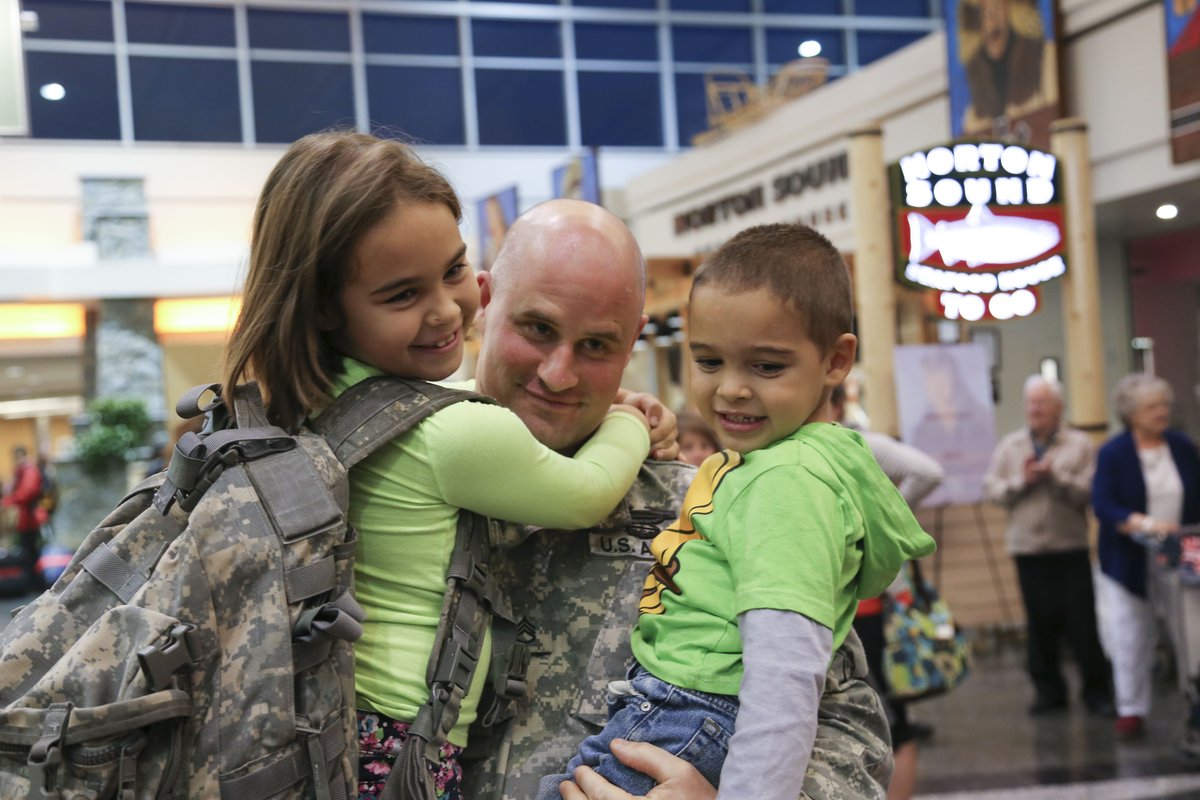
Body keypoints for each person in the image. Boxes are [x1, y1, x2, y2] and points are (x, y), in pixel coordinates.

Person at [219, 131, 660, 800]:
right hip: (399, 744)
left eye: (452, 272)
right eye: (402, 295)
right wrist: (632, 422)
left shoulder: (312, 407)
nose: (446, 308)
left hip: (319, 736)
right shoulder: (456, 432)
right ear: (327, 307)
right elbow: (586, 494)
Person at [462, 204, 900, 800]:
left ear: (633, 341)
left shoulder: (700, 505)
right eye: (537, 329)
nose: (559, 373)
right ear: (484, 302)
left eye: (595, 345)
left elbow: (852, 732)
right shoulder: (384, 487)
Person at [829, 383, 943, 800]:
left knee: (885, 711)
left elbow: (928, 472)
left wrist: (884, 511)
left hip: (868, 602)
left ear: (839, 403)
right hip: (832, 604)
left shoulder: (855, 444)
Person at [983, 376, 1112, 719]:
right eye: (1031, 403)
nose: (1034, 409)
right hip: (1027, 550)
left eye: (1042, 403)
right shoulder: (1011, 446)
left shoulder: (1080, 444)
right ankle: (1048, 691)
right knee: (1039, 626)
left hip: (1069, 548)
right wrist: (1020, 482)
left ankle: (1097, 691)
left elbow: (1091, 492)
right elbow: (992, 490)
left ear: (1058, 408)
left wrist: (1056, 478)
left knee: (1082, 624)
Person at [1092, 373, 1200, 752]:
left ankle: (1193, 701)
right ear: (1131, 413)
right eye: (1153, 407)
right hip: (1128, 557)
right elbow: (1103, 504)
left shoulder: (1182, 446)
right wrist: (1146, 523)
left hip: (1182, 557)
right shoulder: (1113, 452)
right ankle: (1131, 708)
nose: (1162, 412)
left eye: (1165, 405)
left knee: (1191, 632)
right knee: (1130, 634)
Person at [1, 446, 44, 592]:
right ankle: (34, 583)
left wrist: (9, 501)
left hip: (31, 518)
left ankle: (36, 584)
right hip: (27, 519)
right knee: (29, 551)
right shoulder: (22, 471)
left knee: (31, 552)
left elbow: (27, 492)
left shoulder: (29, 470)